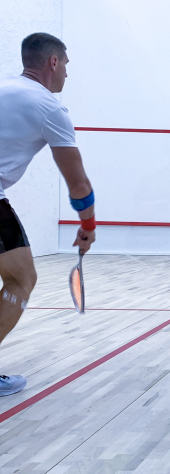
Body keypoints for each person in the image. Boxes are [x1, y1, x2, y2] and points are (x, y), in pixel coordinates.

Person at [0, 33, 97, 396]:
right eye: (66, 65)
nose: (67, 74)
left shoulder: (4, 87)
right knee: (20, 278)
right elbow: (78, 184)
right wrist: (88, 225)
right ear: (53, 62)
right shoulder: (48, 107)